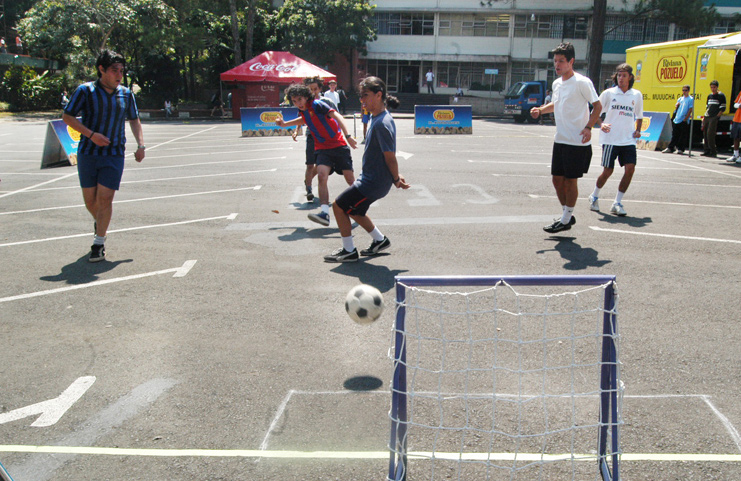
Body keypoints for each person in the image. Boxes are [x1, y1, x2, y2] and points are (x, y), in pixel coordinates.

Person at [62, 49, 145, 262]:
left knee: (105, 198)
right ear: (101, 70)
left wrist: (141, 145)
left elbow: (134, 120)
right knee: (91, 201)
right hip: (88, 153)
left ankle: (98, 242)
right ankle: (100, 223)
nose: (119, 75)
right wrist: (91, 135)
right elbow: (68, 117)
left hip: (114, 153)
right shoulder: (85, 91)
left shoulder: (126, 94)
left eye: (121, 71)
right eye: (114, 70)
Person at [323, 76, 410, 262]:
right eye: (361, 96)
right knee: (355, 210)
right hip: (374, 178)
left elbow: (390, 156)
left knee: (339, 206)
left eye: (365, 95)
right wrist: (394, 175)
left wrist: (396, 179)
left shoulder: (381, 123)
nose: (362, 100)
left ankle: (349, 251)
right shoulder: (377, 117)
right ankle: (380, 240)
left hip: (372, 182)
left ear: (379, 95)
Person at [530, 42, 602, 234]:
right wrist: (541, 110)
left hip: (576, 141)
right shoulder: (556, 83)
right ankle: (567, 215)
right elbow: (556, 103)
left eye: (561, 61)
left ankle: (565, 218)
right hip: (560, 139)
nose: (557, 65)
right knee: (556, 180)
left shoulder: (582, 82)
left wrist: (589, 127)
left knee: (571, 181)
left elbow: (598, 106)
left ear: (571, 61)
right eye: (555, 61)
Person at [275, 83, 357, 227]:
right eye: (294, 101)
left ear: (306, 97)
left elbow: (337, 116)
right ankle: (324, 213)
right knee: (321, 175)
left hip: (339, 146)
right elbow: (304, 120)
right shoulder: (303, 111)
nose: (298, 103)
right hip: (322, 149)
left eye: (299, 99)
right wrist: (284, 124)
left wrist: (348, 135)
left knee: (350, 180)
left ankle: (358, 207)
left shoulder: (318, 105)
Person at [588, 63, 643, 217]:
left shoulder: (636, 95)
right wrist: (601, 124)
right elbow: (595, 112)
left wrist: (637, 130)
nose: (621, 78)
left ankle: (617, 203)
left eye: (624, 75)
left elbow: (639, 116)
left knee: (630, 169)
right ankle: (594, 196)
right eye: (619, 75)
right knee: (608, 171)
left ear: (630, 77)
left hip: (628, 140)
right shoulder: (608, 93)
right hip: (611, 139)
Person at [294, 76, 339, 202]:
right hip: (311, 135)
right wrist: (296, 130)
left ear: (319, 88)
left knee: (322, 165)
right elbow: (301, 118)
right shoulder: (304, 104)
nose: (313, 91)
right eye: (310, 89)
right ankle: (308, 189)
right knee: (310, 164)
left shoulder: (326, 102)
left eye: (315, 88)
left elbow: (336, 117)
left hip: (326, 138)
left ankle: (312, 181)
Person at [662, 85, 693, 154]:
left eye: (686, 90)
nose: (684, 92)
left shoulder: (690, 99)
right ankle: (671, 147)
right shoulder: (680, 99)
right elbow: (676, 108)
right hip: (677, 118)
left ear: (688, 91)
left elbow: (690, 109)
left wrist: (686, 118)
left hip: (683, 119)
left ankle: (680, 149)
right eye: (683, 90)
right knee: (675, 134)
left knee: (682, 135)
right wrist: (677, 106)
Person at [701, 80, 726, 157]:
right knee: (705, 134)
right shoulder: (710, 96)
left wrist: (717, 116)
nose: (713, 89)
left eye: (714, 87)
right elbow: (707, 107)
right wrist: (704, 117)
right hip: (707, 116)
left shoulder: (721, 95)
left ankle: (713, 151)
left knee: (710, 134)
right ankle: (706, 150)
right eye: (711, 87)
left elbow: (723, 107)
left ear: (717, 87)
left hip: (714, 117)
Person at [727, 89, 741, 163]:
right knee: (736, 137)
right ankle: (735, 155)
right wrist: (739, 105)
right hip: (737, 119)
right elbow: (735, 104)